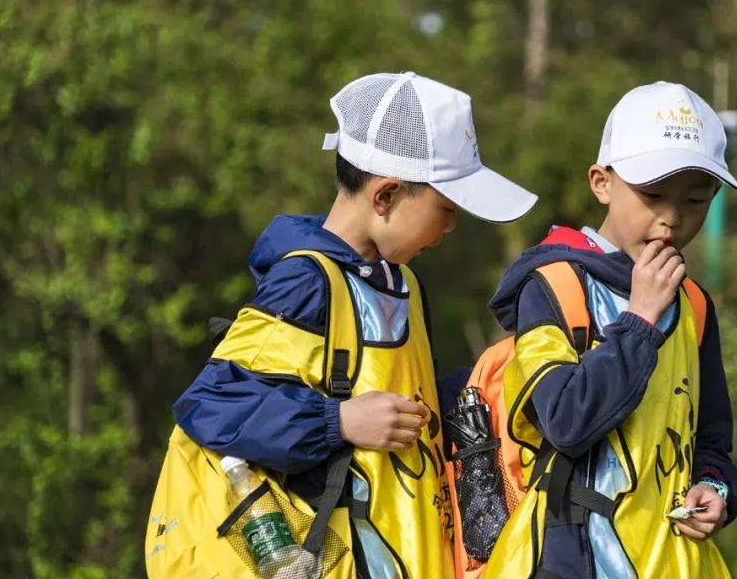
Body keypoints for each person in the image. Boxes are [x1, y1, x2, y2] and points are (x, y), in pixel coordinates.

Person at [171, 71, 537, 578]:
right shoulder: (307, 281)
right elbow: (213, 404)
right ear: (385, 195)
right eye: (446, 209)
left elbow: (409, 399)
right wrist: (338, 421)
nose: (452, 226)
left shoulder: (401, 281)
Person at [482, 81, 737, 579]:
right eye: (652, 194)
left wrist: (717, 489)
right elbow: (565, 421)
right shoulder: (554, 285)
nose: (672, 216)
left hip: (670, 562)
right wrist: (639, 322)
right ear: (601, 183)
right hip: (570, 559)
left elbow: (710, 440)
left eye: (695, 199)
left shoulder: (693, 304)